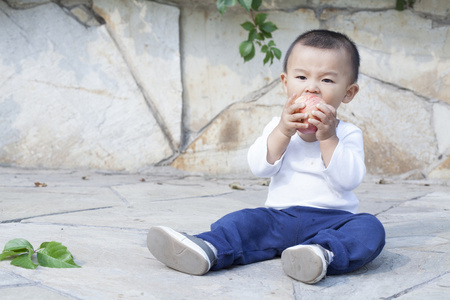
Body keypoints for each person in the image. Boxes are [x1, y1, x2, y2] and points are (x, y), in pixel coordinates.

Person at [147, 29, 385, 284]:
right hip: (278, 217)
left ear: (348, 93)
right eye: (302, 77)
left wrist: (328, 138)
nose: (312, 88)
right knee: (243, 221)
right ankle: (208, 248)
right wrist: (283, 131)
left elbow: (348, 180)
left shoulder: (348, 134)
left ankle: (321, 253)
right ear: (286, 82)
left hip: (333, 222)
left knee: (370, 229)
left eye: (327, 80)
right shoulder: (278, 127)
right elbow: (259, 167)